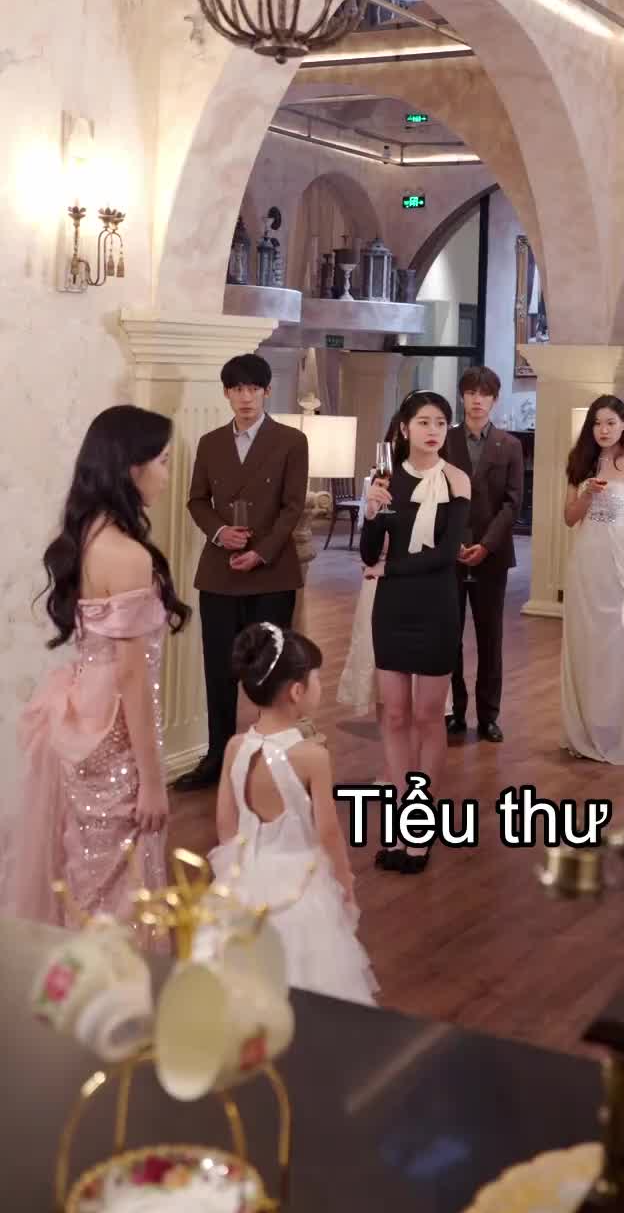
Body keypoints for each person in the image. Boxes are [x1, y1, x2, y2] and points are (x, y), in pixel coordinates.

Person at [0, 407, 190, 929]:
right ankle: (109, 976)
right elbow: (132, 676)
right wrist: (153, 780)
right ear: (131, 467)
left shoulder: (84, 536)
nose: (167, 475)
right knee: (120, 880)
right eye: (163, 461)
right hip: (115, 727)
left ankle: (80, 969)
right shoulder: (127, 555)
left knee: (88, 863)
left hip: (87, 711)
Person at [206, 622, 377, 1005]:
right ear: (297, 691)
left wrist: (233, 874)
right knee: (309, 981)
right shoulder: (312, 757)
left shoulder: (235, 747)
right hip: (299, 886)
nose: (319, 685)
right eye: (316, 678)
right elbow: (328, 832)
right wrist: (344, 883)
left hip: (246, 876)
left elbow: (225, 823)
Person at [179, 354, 309, 792]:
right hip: (220, 573)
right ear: (226, 394)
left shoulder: (291, 441)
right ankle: (218, 757)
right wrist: (220, 533)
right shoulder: (210, 443)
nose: (246, 397)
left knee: (269, 672)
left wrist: (261, 552)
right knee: (219, 671)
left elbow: (293, 506)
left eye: (253, 388)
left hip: (271, 574)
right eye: (237, 389)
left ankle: (268, 759)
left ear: (267, 392)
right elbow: (197, 500)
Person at [360, 391, 471, 873]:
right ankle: (400, 818)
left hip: (437, 605)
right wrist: (370, 513)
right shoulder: (385, 479)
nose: (433, 431)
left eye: (441, 423)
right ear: (404, 428)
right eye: (424, 422)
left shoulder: (456, 480)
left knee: (427, 718)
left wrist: (391, 569)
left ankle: (419, 832)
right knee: (394, 716)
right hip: (392, 609)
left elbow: (446, 555)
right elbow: (369, 553)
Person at [560, 396, 624, 763]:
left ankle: (619, 728)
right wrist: (586, 494)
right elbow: (570, 518)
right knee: (587, 644)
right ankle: (585, 728)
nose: (603, 430)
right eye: (597, 423)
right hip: (587, 564)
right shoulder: (580, 462)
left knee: (621, 644)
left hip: (623, 562)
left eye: (611, 422)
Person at [444, 368, 524, 743]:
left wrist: (487, 544)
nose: (477, 400)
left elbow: (512, 503)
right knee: (450, 636)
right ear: (462, 396)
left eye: (485, 394)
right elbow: (437, 498)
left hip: (493, 555)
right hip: (449, 554)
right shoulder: (445, 440)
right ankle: (454, 712)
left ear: (495, 399)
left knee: (490, 637)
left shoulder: (510, 445)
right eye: (471, 393)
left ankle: (489, 716)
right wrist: (454, 542)